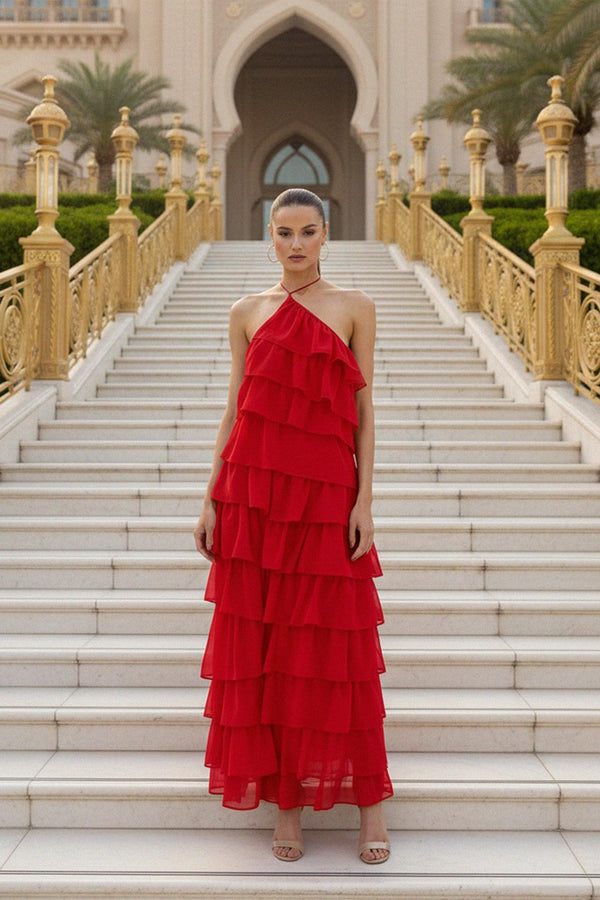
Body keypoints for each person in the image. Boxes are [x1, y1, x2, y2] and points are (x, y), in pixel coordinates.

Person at [194, 187, 392, 864]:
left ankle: (370, 808)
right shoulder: (246, 311)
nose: (297, 244)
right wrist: (211, 497)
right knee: (269, 650)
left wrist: (364, 501)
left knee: (338, 652)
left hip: (326, 492)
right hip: (254, 494)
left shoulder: (354, 306)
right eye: (285, 232)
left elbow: (364, 412)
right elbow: (235, 407)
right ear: (270, 237)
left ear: (326, 234)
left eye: (308, 231)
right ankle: (287, 806)